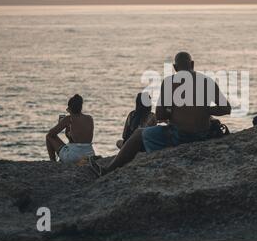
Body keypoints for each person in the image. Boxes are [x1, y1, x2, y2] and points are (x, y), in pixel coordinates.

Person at [89, 52, 231, 177]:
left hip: (179, 136)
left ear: (175, 68)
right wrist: (206, 110)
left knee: (139, 133)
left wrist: (172, 112)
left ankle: (108, 170)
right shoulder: (207, 81)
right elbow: (226, 109)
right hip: (203, 135)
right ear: (192, 64)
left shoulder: (170, 82)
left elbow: (160, 114)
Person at [46, 94, 95, 163]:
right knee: (71, 147)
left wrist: (60, 123)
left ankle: (53, 162)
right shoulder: (89, 118)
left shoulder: (69, 119)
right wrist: (68, 129)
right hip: (89, 154)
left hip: (73, 156)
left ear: (70, 108)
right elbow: (77, 141)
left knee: (48, 136)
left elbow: (51, 133)